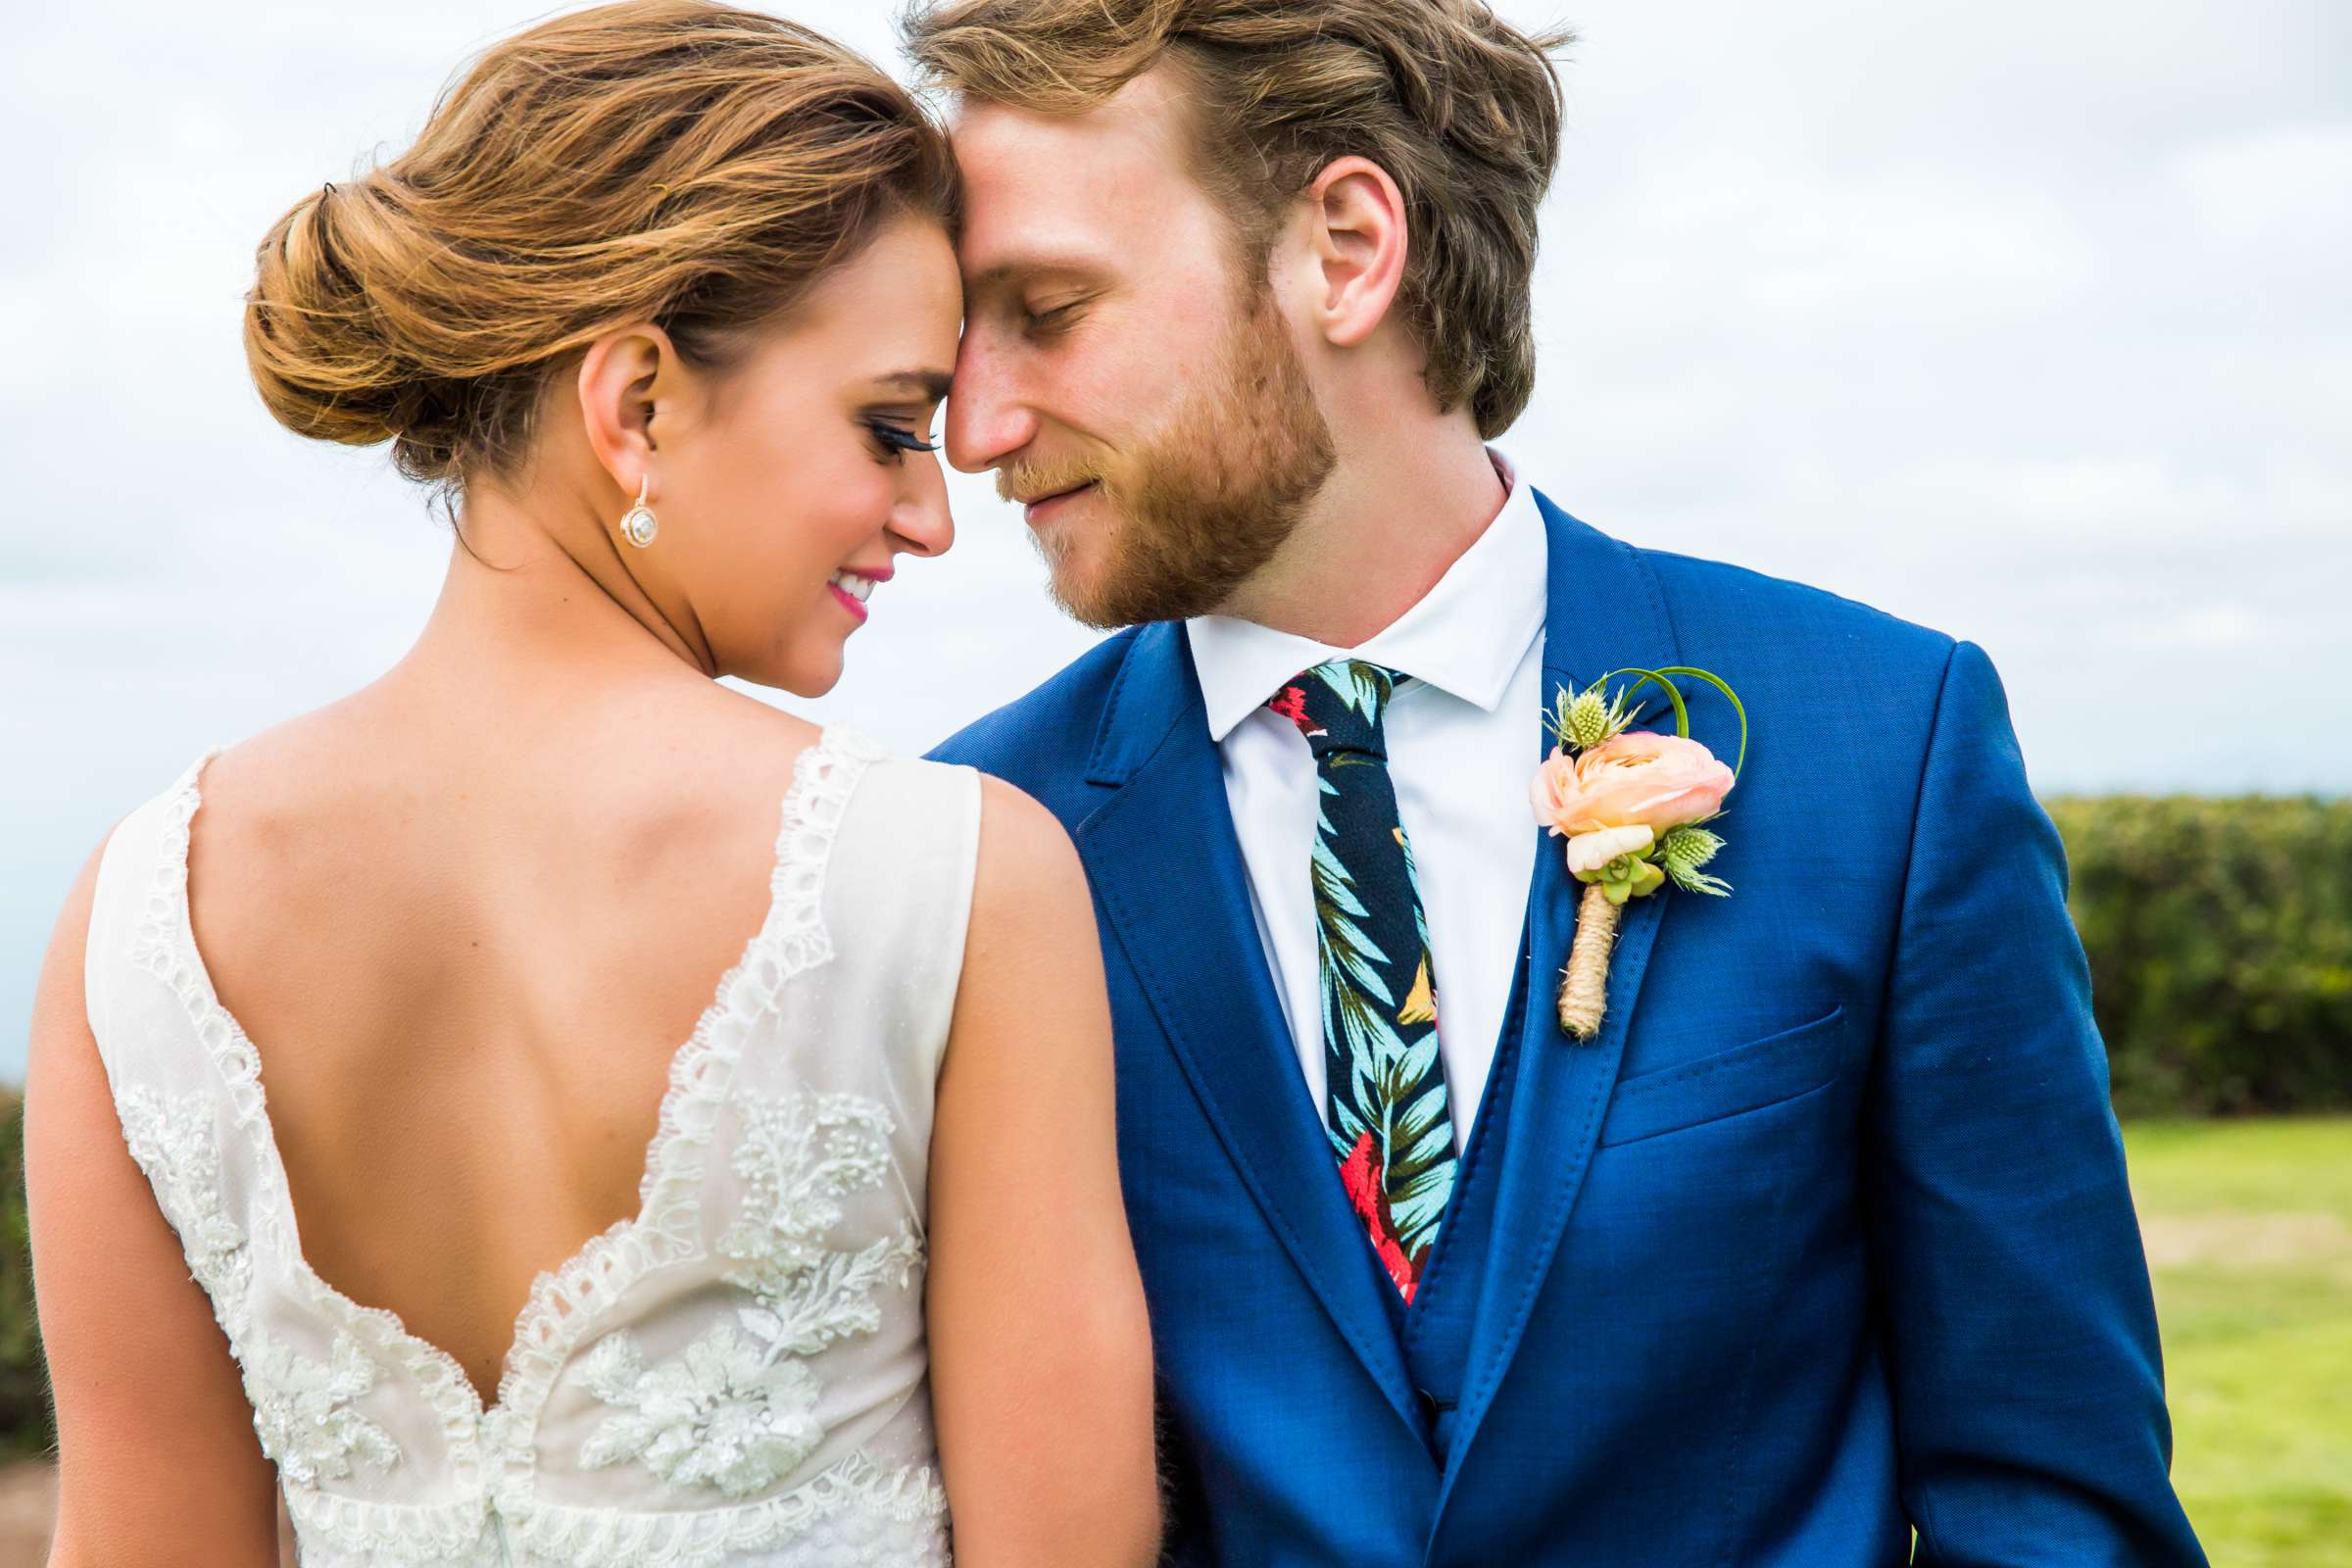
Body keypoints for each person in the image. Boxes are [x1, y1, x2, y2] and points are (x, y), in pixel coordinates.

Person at [908, 1, 2209, 1563]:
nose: (974, 427)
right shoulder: (978, 842)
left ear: (1345, 247)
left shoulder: (1887, 739)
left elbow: (2053, 1499)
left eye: (1045, 308)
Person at [22, 4, 1158, 1564]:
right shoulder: (954, 879)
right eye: (891, 425)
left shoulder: (136, 924)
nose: (932, 515)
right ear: (634, 402)